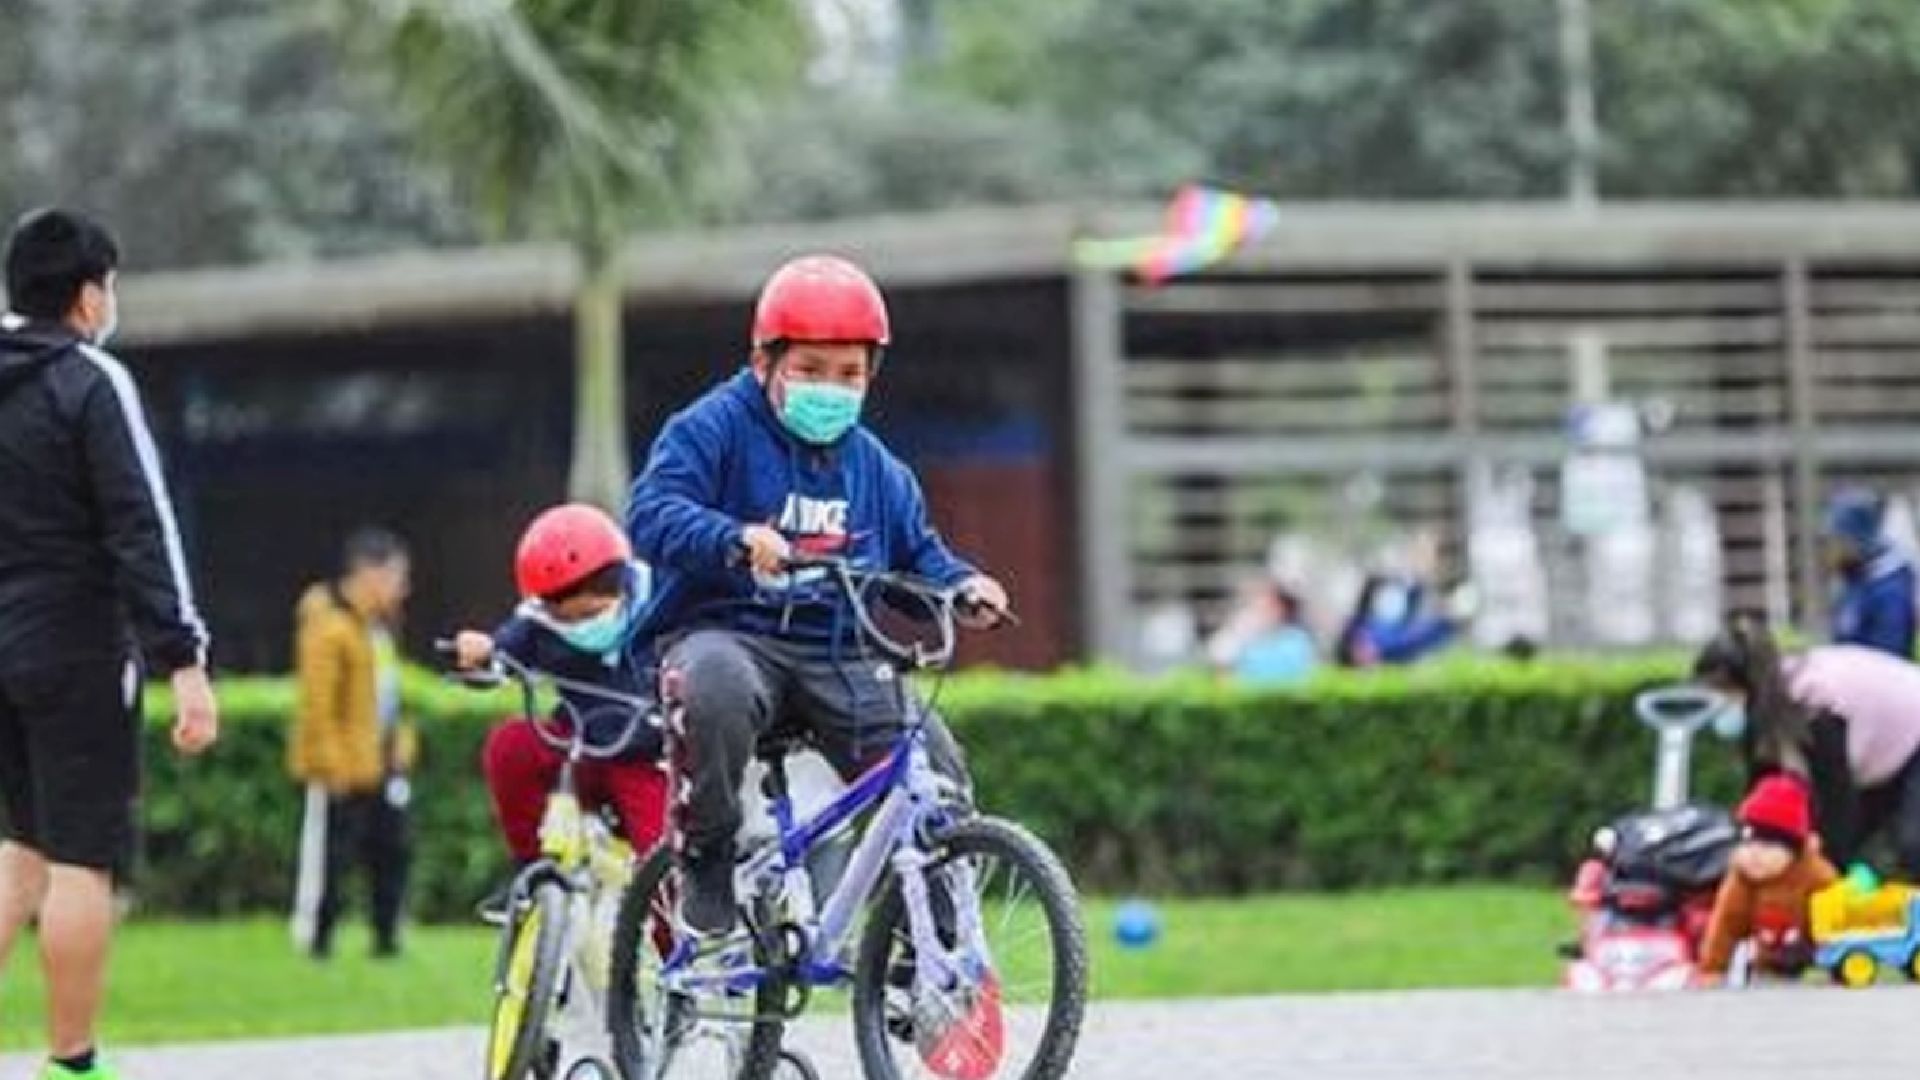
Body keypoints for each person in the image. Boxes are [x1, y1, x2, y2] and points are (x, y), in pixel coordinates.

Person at [626, 254, 1008, 940]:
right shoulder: (711, 428)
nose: (829, 389)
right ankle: (707, 855)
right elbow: (652, 513)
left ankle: (931, 935)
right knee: (711, 685)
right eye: (809, 370)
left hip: (837, 652)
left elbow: (918, 558)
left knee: (933, 764)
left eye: (849, 374)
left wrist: (962, 587)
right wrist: (734, 537)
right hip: (729, 636)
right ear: (763, 361)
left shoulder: (877, 468)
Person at [0, 208, 219, 1080]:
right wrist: (185, 661)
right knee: (81, 860)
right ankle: (73, 1062)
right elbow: (142, 529)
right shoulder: (89, 384)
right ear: (89, 296)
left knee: (19, 848)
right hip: (73, 647)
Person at [451, 504, 668, 919]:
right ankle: (531, 870)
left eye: (588, 616)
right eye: (559, 618)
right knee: (510, 745)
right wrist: (480, 657)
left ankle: (678, 962)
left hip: (645, 762)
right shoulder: (537, 620)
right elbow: (502, 654)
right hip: (576, 750)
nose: (577, 628)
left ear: (618, 586)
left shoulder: (664, 601)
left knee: (663, 874)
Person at [1693, 616, 1920, 877]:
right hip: (1888, 740)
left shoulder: (1814, 705)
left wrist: (1823, 875)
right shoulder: (1769, 704)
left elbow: (1836, 799)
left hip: (1911, 731)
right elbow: (1764, 790)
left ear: (1745, 685)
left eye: (1723, 693)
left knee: (1912, 843)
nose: (1719, 704)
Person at [288, 528, 416, 960]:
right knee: (330, 859)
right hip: (343, 767)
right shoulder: (329, 623)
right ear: (369, 573)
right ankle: (318, 938)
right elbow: (318, 705)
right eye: (396, 577)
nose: (402, 589)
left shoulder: (376, 629)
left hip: (380, 763)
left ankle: (386, 936)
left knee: (390, 852)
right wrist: (329, 764)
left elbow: (388, 696)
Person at [1696, 774, 1837, 985]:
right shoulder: (1742, 878)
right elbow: (1725, 924)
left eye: (1768, 846)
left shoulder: (1817, 876)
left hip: (1813, 961)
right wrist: (1713, 968)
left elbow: (1837, 919)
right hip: (1766, 961)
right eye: (1748, 845)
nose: (1755, 855)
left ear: (1793, 850)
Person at [1824, 487, 1916, 658]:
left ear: (1858, 538)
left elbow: (1887, 656)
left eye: (1839, 541)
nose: (1832, 550)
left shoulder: (1890, 590)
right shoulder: (1853, 580)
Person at [1207, 576, 1317, 686]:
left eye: (1269, 604)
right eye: (1259, 603)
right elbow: (1221, 664)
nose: (1261, 608)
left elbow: (1302, 677)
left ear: (1283, 608)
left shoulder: (1296, 639)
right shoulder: (1243, 633)